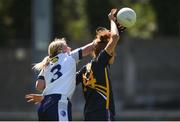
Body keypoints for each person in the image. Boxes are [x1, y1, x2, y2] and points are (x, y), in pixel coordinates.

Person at [25, 38, 97, 121]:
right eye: (66, 47)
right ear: (61, 50)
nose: (69, 48)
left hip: (44, 105)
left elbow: (39, 86)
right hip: (59, 103)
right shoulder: (69, 56)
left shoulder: (47, 64)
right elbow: (91, 46)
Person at [75, 9, 125, 121]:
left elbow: (67, 82)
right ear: (107, 52)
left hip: (88, 116)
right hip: (103, 115)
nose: (114, 54)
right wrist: (112, 20)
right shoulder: (100, 63)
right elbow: (115, 37)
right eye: (113, 51)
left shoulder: (85, 69)